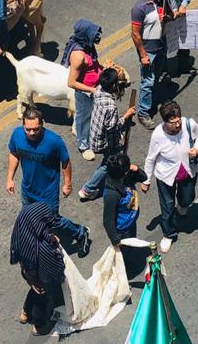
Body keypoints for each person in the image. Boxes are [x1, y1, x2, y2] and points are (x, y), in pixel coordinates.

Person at [6, 107, 91, 249]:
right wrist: (10, 178)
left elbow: (65, 161)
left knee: (53, 221)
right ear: (23, 125)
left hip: (48, 193)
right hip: (28, 190)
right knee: (30, 218)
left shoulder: (54, 141)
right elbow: (14, 153)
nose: (31, 133)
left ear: (42, 125)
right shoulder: (17, 135)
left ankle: (80, 232)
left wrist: (67, 184)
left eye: (35, 129)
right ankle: (42, 244)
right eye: (28, 129)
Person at [142, 100, 198, 253]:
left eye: (178, 121)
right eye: (173, 122)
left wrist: (196, 147)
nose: (177, 125)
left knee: (187, 199)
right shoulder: (158, 135)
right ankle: (169, 234)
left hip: (188, 172)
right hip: (166, 176)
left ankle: (182, 207)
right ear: (165, 121)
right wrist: (146, 179)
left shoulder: (189, 124)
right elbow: (151, 158)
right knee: (167, 207)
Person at [9, 200, 67, 336]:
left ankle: (25, 312)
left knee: (34, 291)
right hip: (41, 276)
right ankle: (39, 326)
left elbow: (43, 234)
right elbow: (55, 263)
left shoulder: (23, 233)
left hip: (28, 271)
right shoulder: (43, 248)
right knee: (41, 298)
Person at [80, 68, 136, 197]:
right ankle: (88, 189)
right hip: (104, 141)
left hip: (94, 135)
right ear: (114, 85)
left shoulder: (98, 89)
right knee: (108, 163)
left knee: (108, 161)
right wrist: (126, 116)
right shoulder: (110, 106)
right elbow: (112, 128)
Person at [63, 18, 104, 158]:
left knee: (95, 115)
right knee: (84, 118)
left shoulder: (88, 46)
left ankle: (94, 137)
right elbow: (72, 83)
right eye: (94, 33)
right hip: (86, 93)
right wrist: (93, 90)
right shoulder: (78, 56)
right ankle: (83, 145)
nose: (97, 35)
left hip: (95, 88)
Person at [100, 152, 148, 248]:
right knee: (125, 255)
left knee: (131, 246)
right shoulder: (111, 195)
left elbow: (143, 177)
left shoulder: (127, 177)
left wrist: (137, 170)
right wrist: (115, 239)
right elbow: (108, 220)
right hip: (122, 231)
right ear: (124, 172)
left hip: (131, 222)